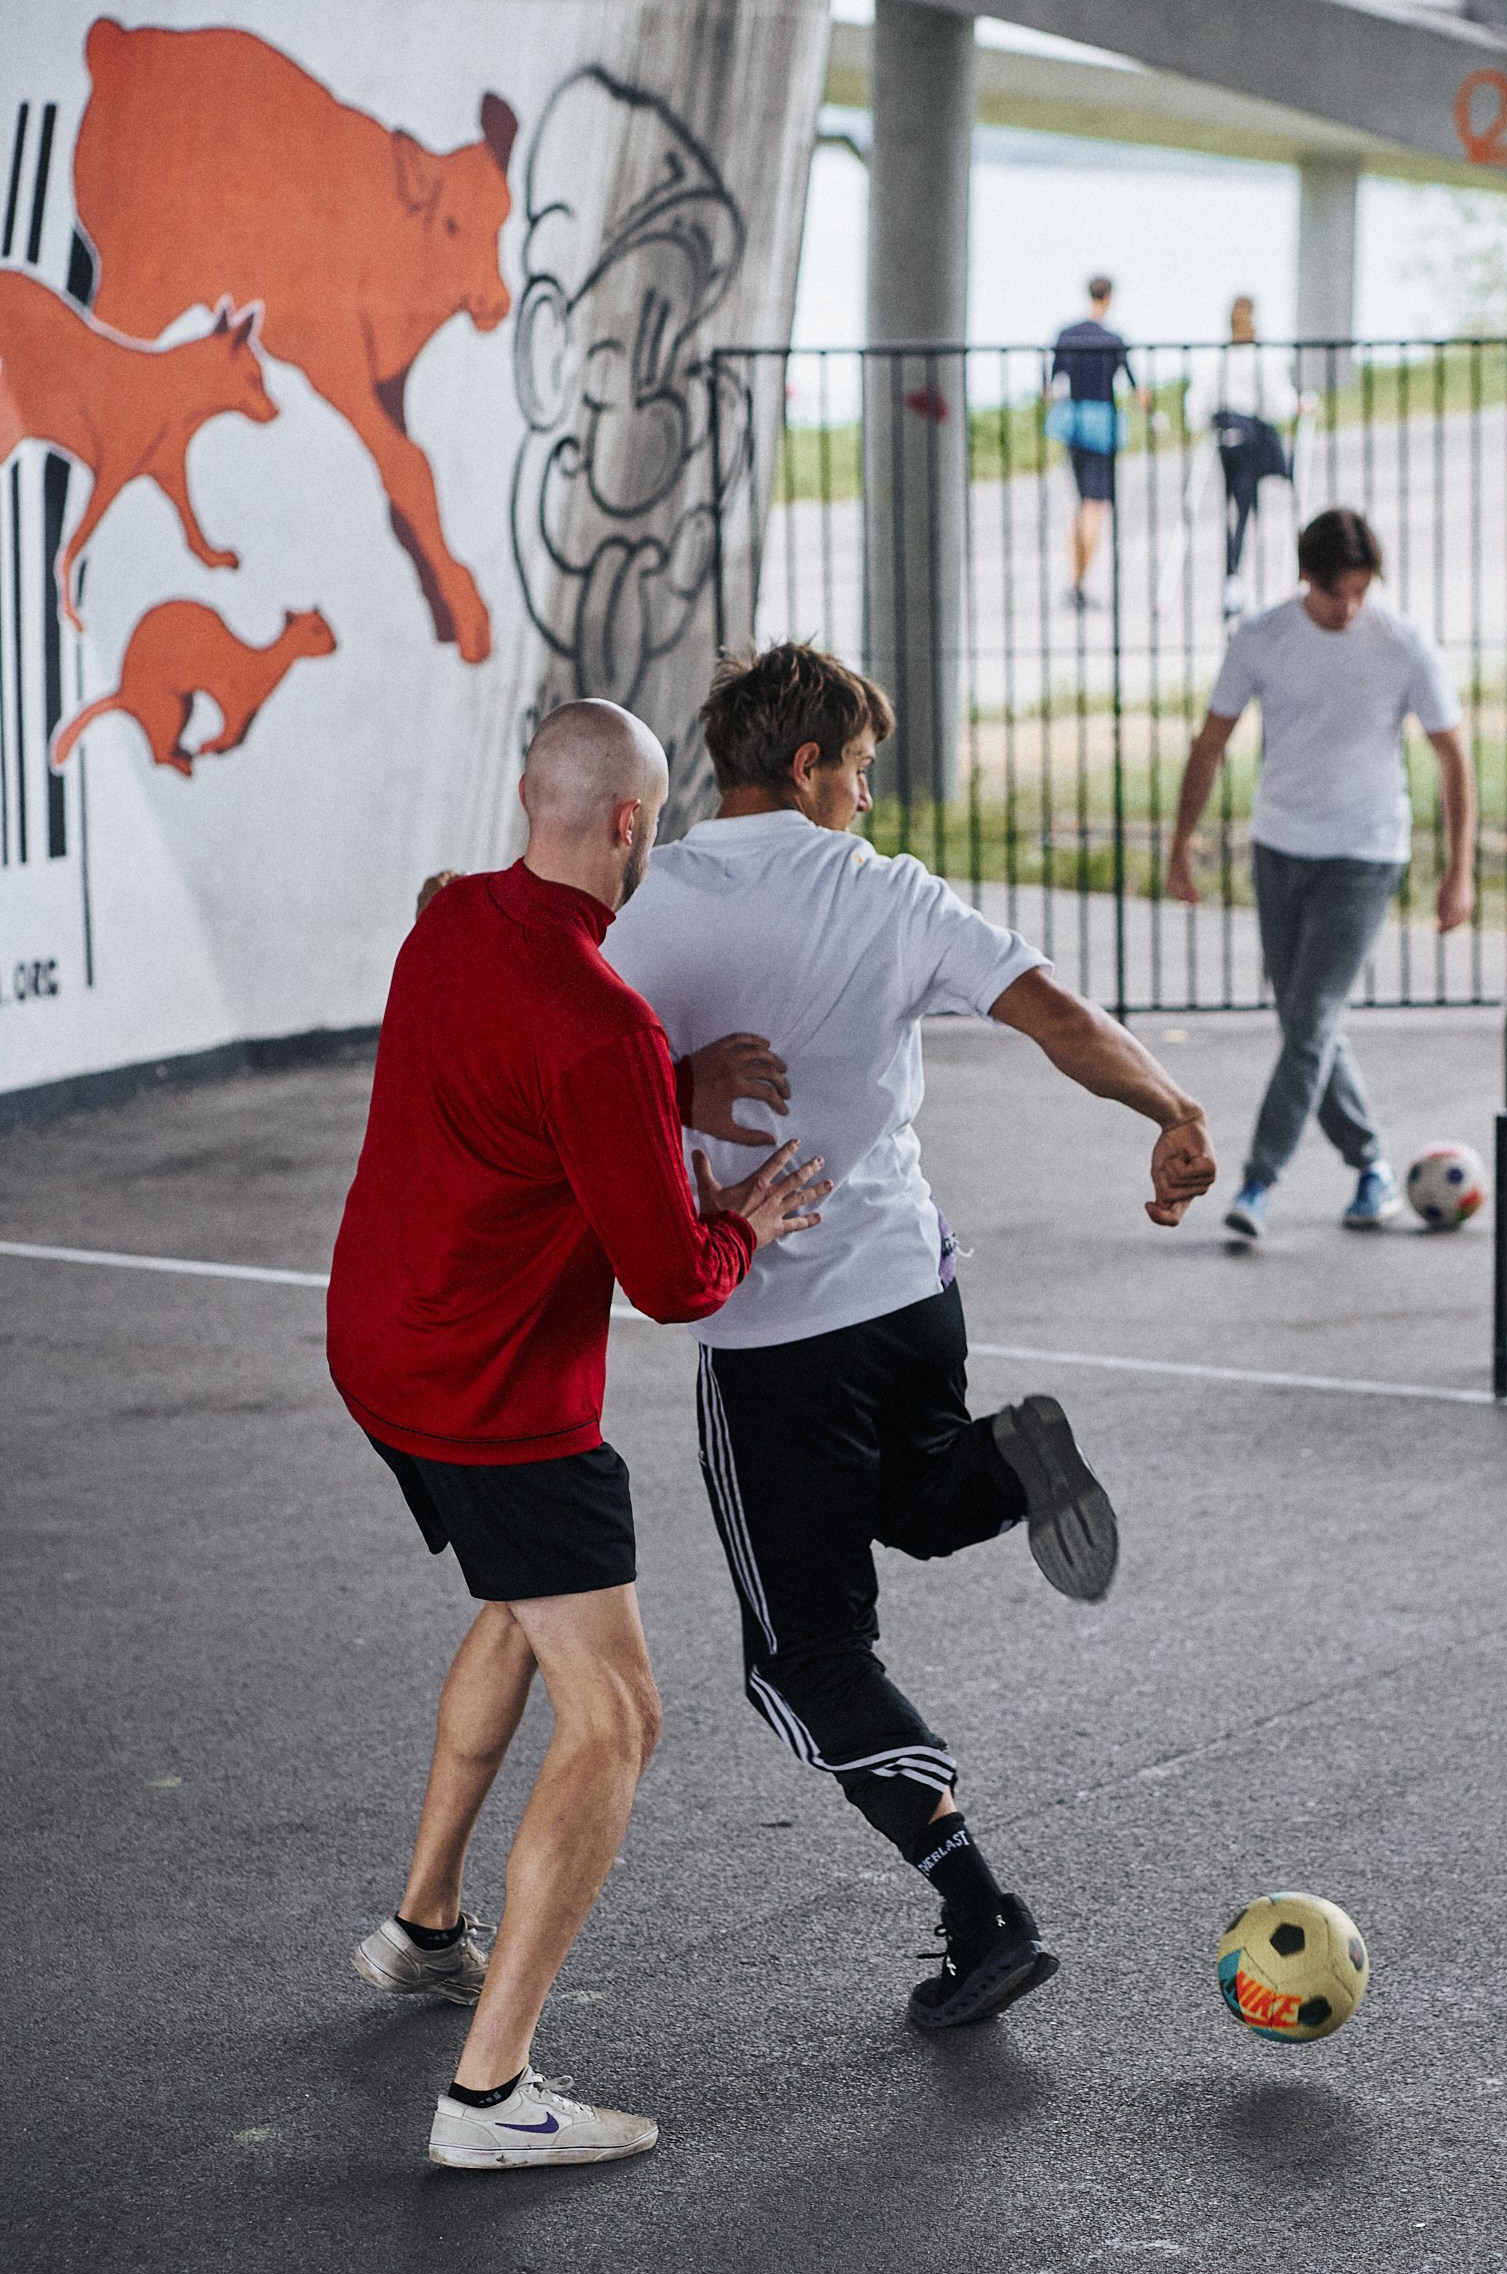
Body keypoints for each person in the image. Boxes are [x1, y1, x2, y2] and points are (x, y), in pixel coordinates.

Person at [605, 642, 1217, 2029]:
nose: (869, 802)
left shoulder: (650, 917)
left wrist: (675, 1078)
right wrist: (1169, 1112)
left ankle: (976, 1906)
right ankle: (1009, 1455)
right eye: (862, 772)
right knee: (926, 1504)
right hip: (911, 1289)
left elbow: (573, 1070)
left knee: (801, 1661)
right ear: (808, 766)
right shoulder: (888, 897)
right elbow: (1054, 1015)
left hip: (773, 1330)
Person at [328, 698, 827, 2172]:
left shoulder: (451, 925)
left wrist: (669, 1093)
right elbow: (676, 1282)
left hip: (383, 1351)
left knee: (516, 1604)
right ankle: (490, 2100)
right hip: (495, 1398)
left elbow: (509, 1090)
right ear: (628, 824)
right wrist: (739, 1216)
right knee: (618, 1716)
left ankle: (422, 1932)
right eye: (653, 823)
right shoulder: (603, 1020)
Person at [1166, 506, 1475, 1238]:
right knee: (1308, 1020)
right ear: (1305, 576)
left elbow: (1452, 756)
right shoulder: (1261, 638)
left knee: (1307, 1023)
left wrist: (1457, 870)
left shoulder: (1401, 644)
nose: (1350, 608)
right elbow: (1209, 743)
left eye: (1361, 592)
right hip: (1279, 849)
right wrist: (1179, 842)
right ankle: (1370, 1167)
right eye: (1337, 593)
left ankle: (1256, 1185)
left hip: (1365, 856)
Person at [1188, 295, 1297, 617]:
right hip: (1253, 436)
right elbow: (1278, 402)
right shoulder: (1259, 357)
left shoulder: (1218, 358)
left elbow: (1199, 403)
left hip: (1226, 436)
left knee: (1235, 505)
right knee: (1262, 496)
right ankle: (1248, 576)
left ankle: (1232, 577)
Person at [1049, 275, 1145, 609]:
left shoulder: (1066, 334)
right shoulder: (1113, 338)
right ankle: (1077, 584)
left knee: (1080, 504)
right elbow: (1135, 387)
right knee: (1094, 505)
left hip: (1072, 420)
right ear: (1109, 298)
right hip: (1101, 422)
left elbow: (1053, 383)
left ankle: (1072, 579)